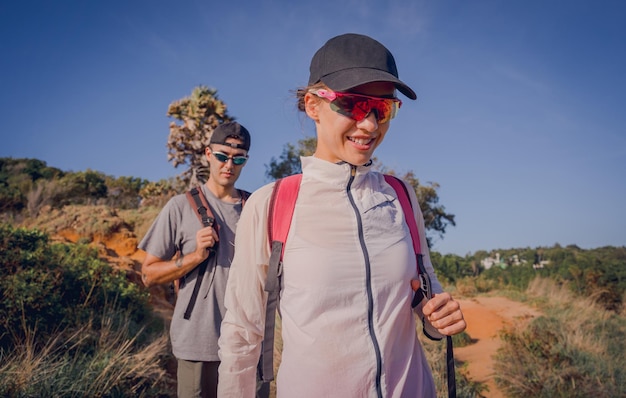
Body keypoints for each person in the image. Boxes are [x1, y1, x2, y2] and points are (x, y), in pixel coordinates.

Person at [217, 33, 467, 397]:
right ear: (313, 105)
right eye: (352, 104)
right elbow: (242, 332)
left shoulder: (400, 196)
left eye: (382, 108)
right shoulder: (271, 203)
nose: (368, 125)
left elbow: (424, 290)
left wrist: (437, 317)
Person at [139, 121, 262, 398]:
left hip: (245, 342)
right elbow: (148, 274)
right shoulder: (180, 207)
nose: (229, 164)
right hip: (197, 342)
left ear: (245, 161)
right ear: (208, 153)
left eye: (238, 158)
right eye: (222, 156)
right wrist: (194, 256)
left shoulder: (256, 208)